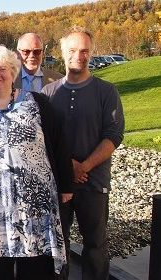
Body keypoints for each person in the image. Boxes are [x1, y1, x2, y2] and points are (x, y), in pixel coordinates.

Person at [0, 45, 73, 280]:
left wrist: (66, 185)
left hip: (34, 207)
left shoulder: (38, 104)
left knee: (36, 269)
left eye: (2, 68)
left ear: (13, 72)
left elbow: (59, 144)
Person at [42, 26, 125, 280]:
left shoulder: (107, 91)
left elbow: (113, 135)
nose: (79, 55)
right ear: (62, 51)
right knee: (59, 245)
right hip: (59, 184)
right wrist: (69, 167)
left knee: (96, 247)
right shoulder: (48, 94)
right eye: (73, 50)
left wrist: (84, 166)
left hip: (94, 184)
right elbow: (42, 139)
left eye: (85, 51)